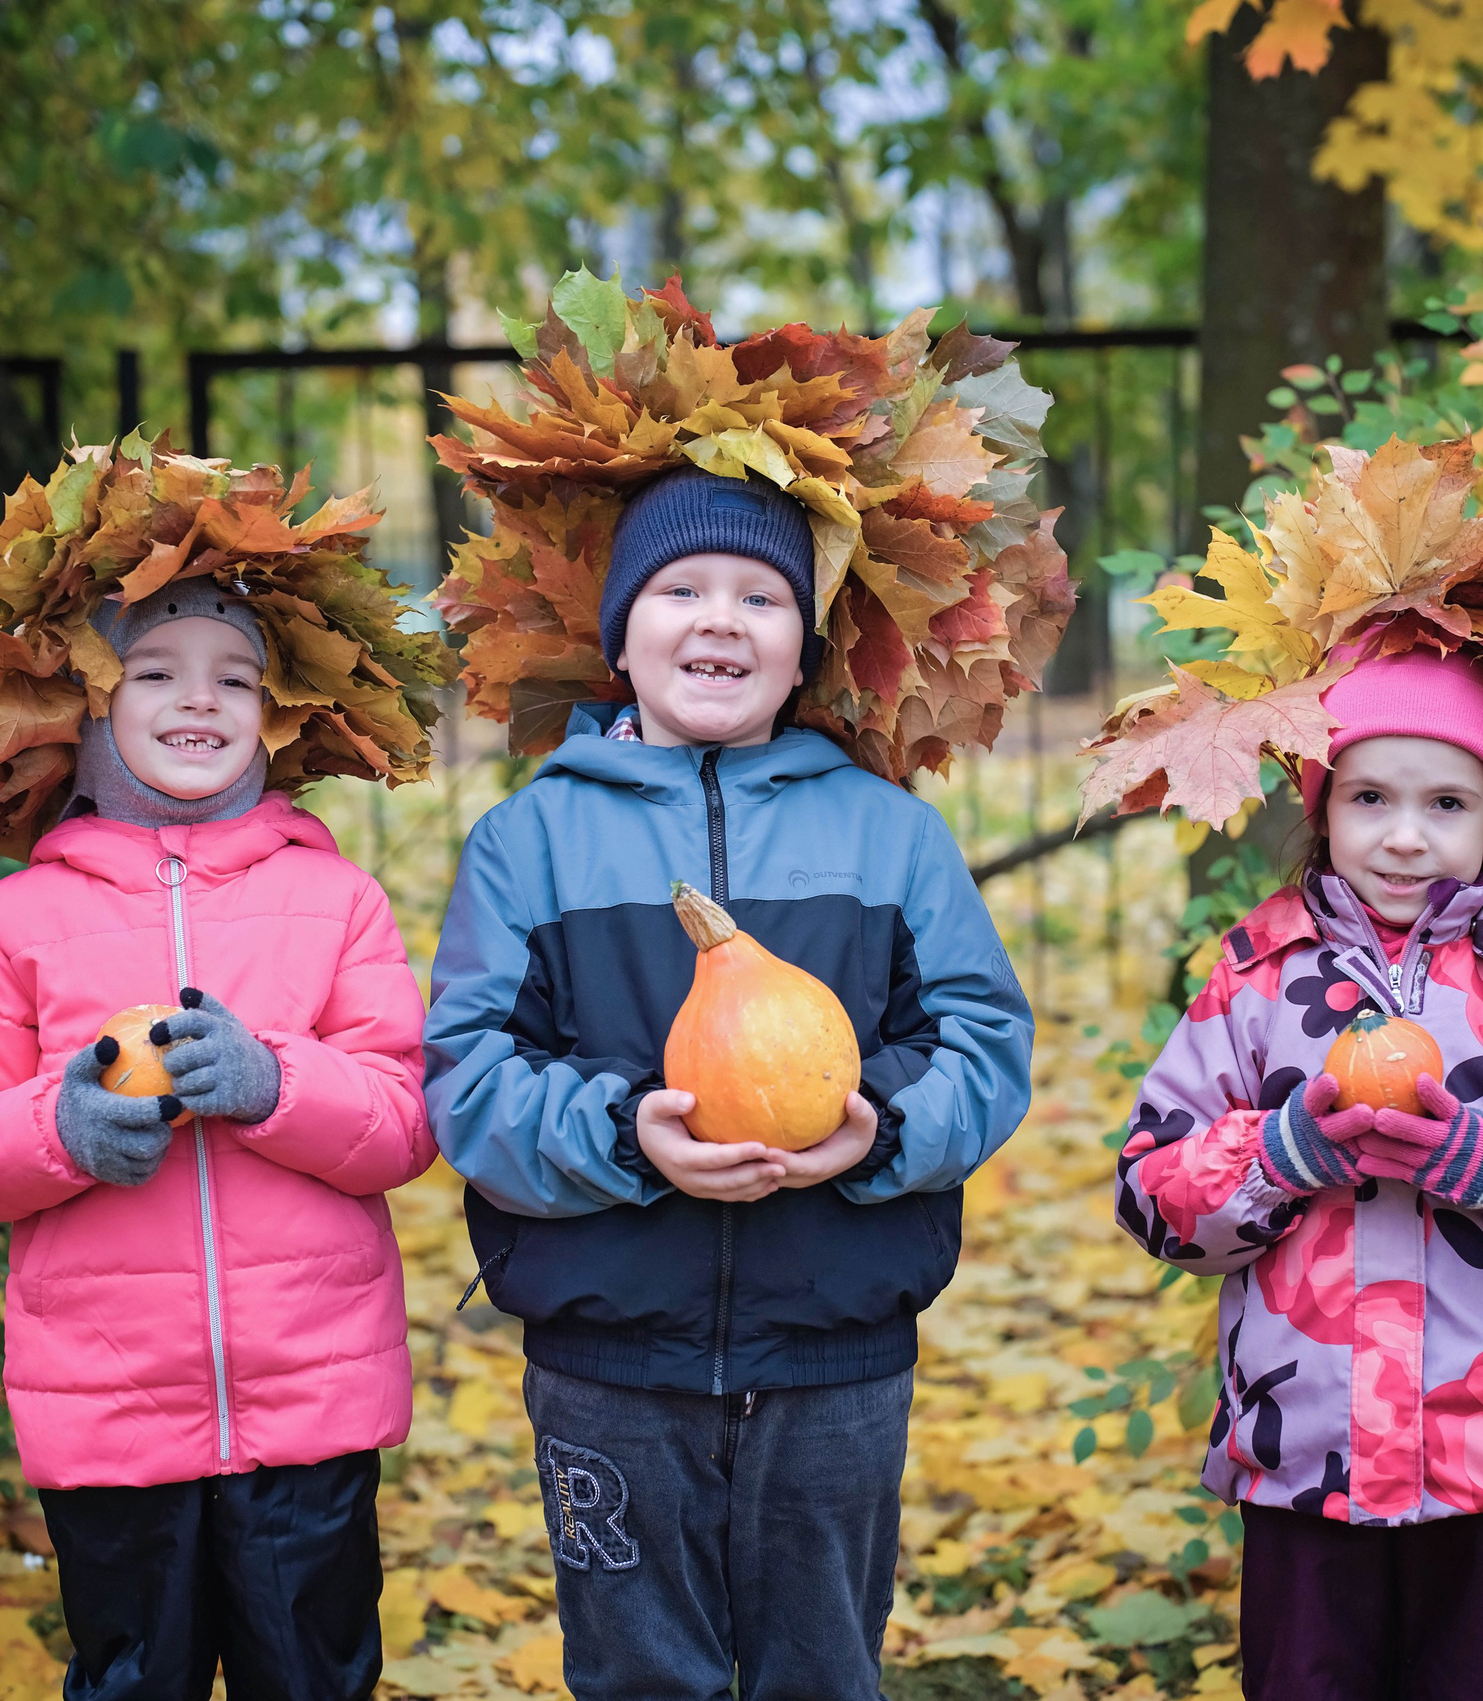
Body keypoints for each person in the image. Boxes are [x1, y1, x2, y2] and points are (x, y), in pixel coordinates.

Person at [425, 465, 1037, 1701]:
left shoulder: (888, 835)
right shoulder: (529, 842)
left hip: (837, 1350)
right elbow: (469, 1075)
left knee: (822, 1664)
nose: (718, 619)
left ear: (802, 646)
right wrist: (619, 1131)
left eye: (759, 596)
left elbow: (982, 1040)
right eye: (679, 588)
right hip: (610, 1357)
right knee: (641, 1669)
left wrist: (875, 1129)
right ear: (620, 632)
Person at [1113, 640, 1483, 1701]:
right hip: (1305, 1467)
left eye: (1446, 804)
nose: (1403, 835)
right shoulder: (1257, 978)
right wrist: (1282, 1154)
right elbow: (1150, 1193)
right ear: (1323, 805)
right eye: (1370, 795)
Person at [0, 575, 435, 1701]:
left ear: (274, 716)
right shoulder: (6, 924)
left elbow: (403, 1123)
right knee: (137, 1679)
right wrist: (62, 1126)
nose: (200, 700)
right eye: (155, 673)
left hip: (311, 1400)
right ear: (87, 706)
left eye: (234, 678)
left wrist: (272, 1080)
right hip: (106, 1408)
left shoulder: (337, 902)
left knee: (316, 1678)